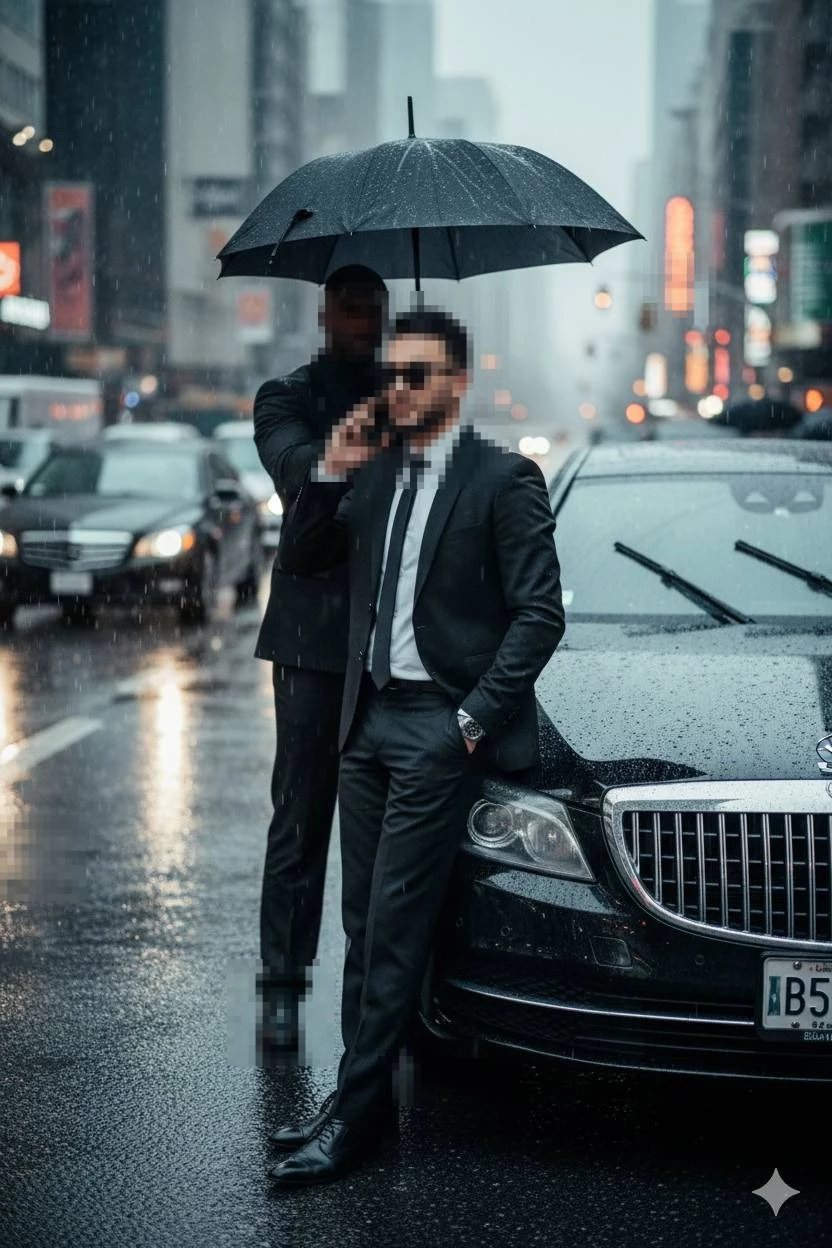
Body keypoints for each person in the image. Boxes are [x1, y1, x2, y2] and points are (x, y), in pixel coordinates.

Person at [267, 307, 565, 1185]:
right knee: (364, 925)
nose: (397, 387)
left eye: (418, 374)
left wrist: (468, 721)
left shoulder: (503, 478)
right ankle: (361, 1106)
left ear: (458, 382)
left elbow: (539, 614)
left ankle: (353, 1122)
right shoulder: (375, 470)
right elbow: (304, 557)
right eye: (390, 373)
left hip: (439, 726)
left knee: (395, 929)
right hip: (368, 722)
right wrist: (329, 467)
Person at [252, 265, 388, 1060]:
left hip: (386, 637)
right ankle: (280, 987)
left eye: (375, 309)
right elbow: (293, 466)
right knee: (301, 822)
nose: (364, 321)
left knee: (382, 835)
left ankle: (381, 994)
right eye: (351, 309)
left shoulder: (409, 396)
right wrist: (351, 447)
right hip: (310, 644)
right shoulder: (287, 394)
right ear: (325, 313)